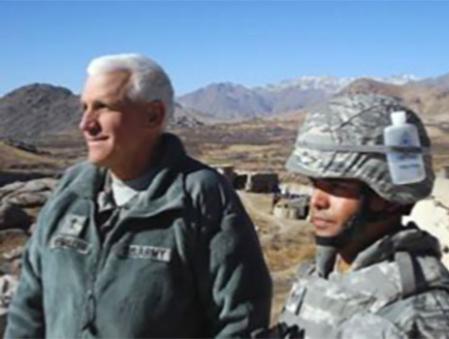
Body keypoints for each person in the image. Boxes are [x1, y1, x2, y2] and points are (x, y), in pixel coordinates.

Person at [5, 54, 272, 338]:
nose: (86, 124)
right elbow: (28, 304)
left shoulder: (202, 196)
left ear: (153, 115)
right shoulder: (70, 189)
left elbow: (241, 320)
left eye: (102, 107)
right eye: (84, 108)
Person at [272, 94, 449, 338]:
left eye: (337, 187)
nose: (317, 200)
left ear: (387, 197)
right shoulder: (326, 272)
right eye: (315, 184)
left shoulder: (424, 315)